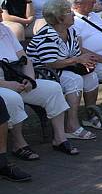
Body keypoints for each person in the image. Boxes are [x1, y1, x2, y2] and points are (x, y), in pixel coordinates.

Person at [1, 15, 79, 158]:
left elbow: (26, 60)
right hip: (2, 83)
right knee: (13, 98)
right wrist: (6, 84)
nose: (1, 12)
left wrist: (30, 79)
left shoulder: (5, 30)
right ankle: (18, 144)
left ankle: (59, 138)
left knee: (53, 88)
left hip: (19, 78)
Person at [26, 0, 98, 141]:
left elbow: (75, 54)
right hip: (44, 73)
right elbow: (51, 63)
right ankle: (71, 125)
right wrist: (77, 60)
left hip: (64, 68)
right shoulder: (47, 35)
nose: (72, 14)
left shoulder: (70, 31)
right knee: (74, 80)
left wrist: (84, 62)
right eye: (68, 12)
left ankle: (91, 115)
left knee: (91, 77)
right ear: (59, 18)